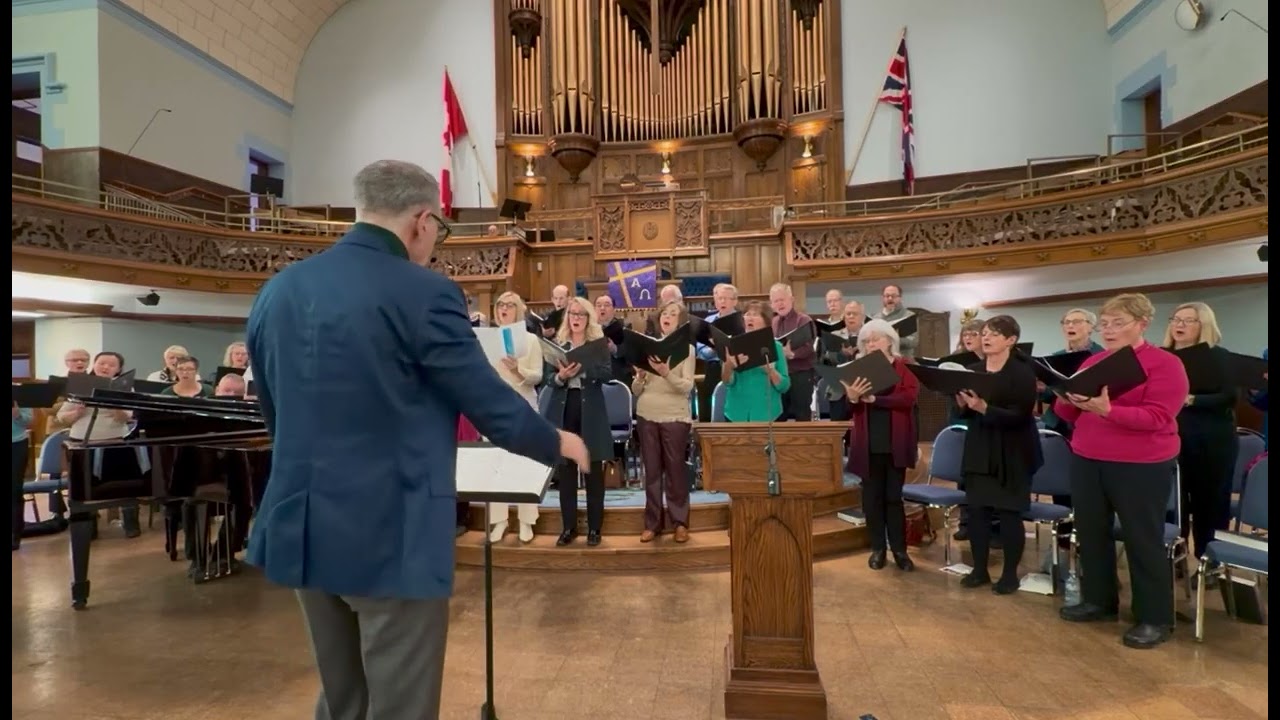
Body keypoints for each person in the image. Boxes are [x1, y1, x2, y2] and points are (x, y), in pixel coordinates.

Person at [245, 159, 587, 720]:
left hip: (300, 521)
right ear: (422, 221)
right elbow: (486, 399)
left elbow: (273, 412)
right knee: (401, 704)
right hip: (388, 528)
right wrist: (557, 443)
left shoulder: (279, 289)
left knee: (342, 700)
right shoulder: (424, 291)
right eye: (439, 231)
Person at [1054, 293, 1188, 650]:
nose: (1109, 330)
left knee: (1141, 538)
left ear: (1142, 324)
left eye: (1118, 323)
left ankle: (1154, 617)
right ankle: (1100, 600)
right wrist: (1066, 398)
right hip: (1087, 457)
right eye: (1105, 323)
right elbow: (1068, 415)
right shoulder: (1095, 360)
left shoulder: (1165, 364)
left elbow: (1159, 417)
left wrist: (1107, 410)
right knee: (1092, 533)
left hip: (1140, 464)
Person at [954, 316, 1042, 594]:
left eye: (994, 333)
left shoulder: (1022, 372)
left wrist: (983, 408)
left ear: (1011, 340)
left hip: (1013, 449)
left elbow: (1020, 415)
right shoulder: (974, 369)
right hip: (981, 446)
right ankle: (979, 570)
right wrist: (963, 406)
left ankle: (1009, 575)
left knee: (1009, 514)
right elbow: (965, 413)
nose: (987, 337)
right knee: (977, 512)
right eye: (985, 333)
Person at [842, 319, 919, 572]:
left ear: (890, 340)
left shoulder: (904, 367)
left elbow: (908, 398)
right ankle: (878, 548)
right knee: (872, 499)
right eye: (866, 340)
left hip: (895, 440)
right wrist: (852, 398)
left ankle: (900, 550)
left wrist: (876, 399)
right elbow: (850, 407)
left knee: (893, 498)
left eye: (875, 338)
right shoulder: (858, 368)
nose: (871, 343)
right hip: (868, 441)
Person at [1163, 302, 1238, 560]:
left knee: (1210, 504)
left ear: (1203, 325)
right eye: (1175, 319)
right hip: (1171, 437)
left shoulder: (1219, 356)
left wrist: (1190, 399)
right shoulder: (1162, 357)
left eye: (1188, 320)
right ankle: (1177, 556)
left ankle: (1211, 560)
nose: (1179, 325)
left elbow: (1229, 396)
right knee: (1174, 502)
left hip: (1211, 439)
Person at [541, 296, 615, 548]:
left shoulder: (598, 344)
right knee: (567, 471)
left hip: (590, 409)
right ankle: (568, 527)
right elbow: (548, 379)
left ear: (588, 318)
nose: (575, 318)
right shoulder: (558, 344)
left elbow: (607, 373)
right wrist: (561, 376)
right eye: (572, 314)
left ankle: (595, 528)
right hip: (564, 408)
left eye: (580, 314)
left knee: (593, 470)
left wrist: (583, 369)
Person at [632, 300, 696, 543]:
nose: (667, 317)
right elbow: (637, 390)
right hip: (647, 414)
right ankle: (653, 523)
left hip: (675, 416)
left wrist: (666, 372)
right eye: (664, 313)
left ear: (680, 321)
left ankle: (680, 522)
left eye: (673, 314)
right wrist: (639, 377)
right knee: (652, 472)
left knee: (675, 470)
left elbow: (687, 387)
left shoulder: (686, 350)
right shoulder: (649, 348)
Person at [485, 292, 546, 544]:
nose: (503, 309)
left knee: (524, 464)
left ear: (518, 310)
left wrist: (516, 369)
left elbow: (538, 376)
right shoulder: (487, 339)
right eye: (500, 305)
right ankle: (499, 521)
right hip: (494, 407)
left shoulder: (531, 340)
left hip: (523, 405)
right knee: (496, 466)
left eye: (509, 305)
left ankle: (526, 520)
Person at [720, 301, 790, 422]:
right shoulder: (732, 345)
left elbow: (784, 387)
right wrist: (728, 367)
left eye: (755, 314)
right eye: (747, 314)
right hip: (736, 414)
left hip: (768, 414)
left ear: (766, 320)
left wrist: (771, 371)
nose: (749, 318)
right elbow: (727, 382)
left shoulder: (776, 347)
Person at [769, 283, 815, 421]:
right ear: (772, 304)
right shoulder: (774, 321)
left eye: (782, 299)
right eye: (776, 301)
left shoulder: (804, 320)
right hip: (780, 375)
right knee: (779, 415)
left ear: (792, 299)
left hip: (800, 375)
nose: (780, 304)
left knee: (801, 415)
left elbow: (809, 347)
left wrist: (792, 354)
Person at [12, 397, 33, 551]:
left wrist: (17, 415)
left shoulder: (19, 392)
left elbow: (29, 421)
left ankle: (15, 533)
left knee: (14, 489)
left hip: (17, 444)